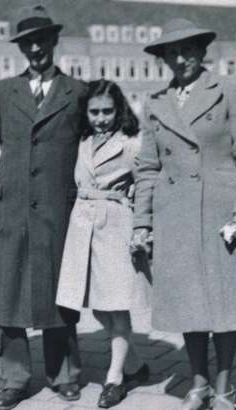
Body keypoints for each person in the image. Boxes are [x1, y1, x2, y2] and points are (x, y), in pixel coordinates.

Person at [131, 19, 236, 410]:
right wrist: (142, 222)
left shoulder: (230, 89)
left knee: (225, 302)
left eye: (188, 49)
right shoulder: (155, 103)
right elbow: (147, 168)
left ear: (202, 52)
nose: (180, 57)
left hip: (222, 215)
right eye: (171, 52)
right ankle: (198, 384)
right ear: (163, 59)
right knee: (188, 304)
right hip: (175, 216)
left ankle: (223, 387)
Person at [0, 5, 87, 410]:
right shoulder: (1, 92)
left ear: (54, 41)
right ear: (20, 47)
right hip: (8, 208)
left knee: (58, 292)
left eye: (41, 40)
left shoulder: (77, 92)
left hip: (57, 210)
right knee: (8, 293)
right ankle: (13, 379)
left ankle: (64, 375)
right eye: (27, 42)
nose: (35, 48)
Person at [56, 80, 151, 408]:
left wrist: (143, 226)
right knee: (96, 304)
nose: (100, 118)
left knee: (116, 303)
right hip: (82, 224)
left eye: (107, 111)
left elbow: (147, 184)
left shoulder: (131, 143)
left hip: (115, 223)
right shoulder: (82, 140)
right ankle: (136, 365)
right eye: (94, 111)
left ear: (119, 109)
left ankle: (115, 379)